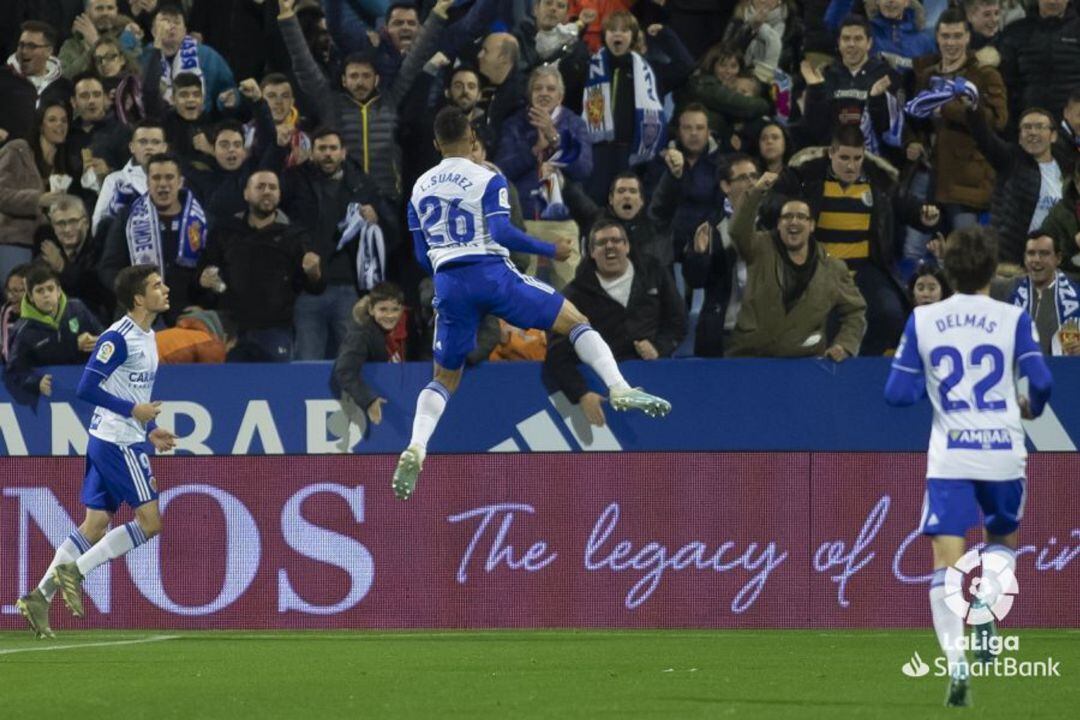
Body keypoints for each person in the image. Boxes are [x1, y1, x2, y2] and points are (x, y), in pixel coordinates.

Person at [394, 106, 671, 500]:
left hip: (449, 281)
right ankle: (620, 386)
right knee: (575, 321)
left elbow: (420, 254)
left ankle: (417, 446)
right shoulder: (487, 176)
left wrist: (445, 272)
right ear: (472, 139)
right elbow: (504, 232)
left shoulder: (419, 187)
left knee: (444, 378)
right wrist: (549, 249)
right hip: (492, 275)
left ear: (436, 143)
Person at [884, 226, 1052, 707]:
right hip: (1003, 449)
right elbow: (1041, 380)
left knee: (945, 561)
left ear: (948, 269)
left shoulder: (925, 319)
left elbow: (896, 394)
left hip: (951, 452)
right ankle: (985, 609)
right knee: (1001, 541)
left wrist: (929, 387)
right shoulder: (1012, 316)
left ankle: (956, 664)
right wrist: (1031, 407)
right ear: (991, 267)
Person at [14, 264, 177, 637]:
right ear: (139, 298)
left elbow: (133, 392)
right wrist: (134, 414)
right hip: (118, 440)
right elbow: (87, 387)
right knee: (151, 523)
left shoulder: (148, 335)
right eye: (156, 285)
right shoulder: (117, 338)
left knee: (96, 525)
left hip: (116, 436)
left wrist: (149, 428)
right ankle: (76, 571)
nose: (165, 289)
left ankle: (39, 597)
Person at [543, 220, 686, 426]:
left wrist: (659, 348)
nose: (610, 246)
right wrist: (582, 394)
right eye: (601, 243)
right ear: (591, 252)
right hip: (600, 388)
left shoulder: (654, 272)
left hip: (653, 377)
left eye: (616, 240)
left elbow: (678, 322)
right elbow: (557, 354)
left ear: (627, 246)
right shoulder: (574, 295)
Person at [726, 172, 867, 358]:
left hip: (805, 363)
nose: (794, 221)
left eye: (801, 217)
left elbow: (855, 312)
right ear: (778, 224)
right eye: (787, 217)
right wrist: (756, 192)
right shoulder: (760, 248)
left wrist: (844, 346)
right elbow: (737, 231)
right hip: (751, 357)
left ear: (812, 225)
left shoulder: (833, 268)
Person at [5, 263, 102, 399]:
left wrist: (99, 342)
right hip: (51, 395)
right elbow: (14, 371)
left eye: (50, 289)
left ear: (58, 291)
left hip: (87, 389)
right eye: (40, 291)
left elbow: (106, 338)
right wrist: (36, 382)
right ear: (31, 297)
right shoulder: (23, 330)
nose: (46, 295)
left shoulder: (78, 309)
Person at [331, 282, 411, 429]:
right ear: (371, 309)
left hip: (405, 402)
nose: (390, 315)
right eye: (383, 309)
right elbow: (344, 371)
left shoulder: (409, 330)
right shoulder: (361, 335)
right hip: (378, 407)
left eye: (395, 309)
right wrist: (369, 401)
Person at [991, 232, 1080, 355]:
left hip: (1063, 371)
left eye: (1044, 253)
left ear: (1058, 258)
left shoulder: (1076, 296)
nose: (1036, 260)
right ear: (1024, 258)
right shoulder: (1007, 290)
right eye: (1031, 253)